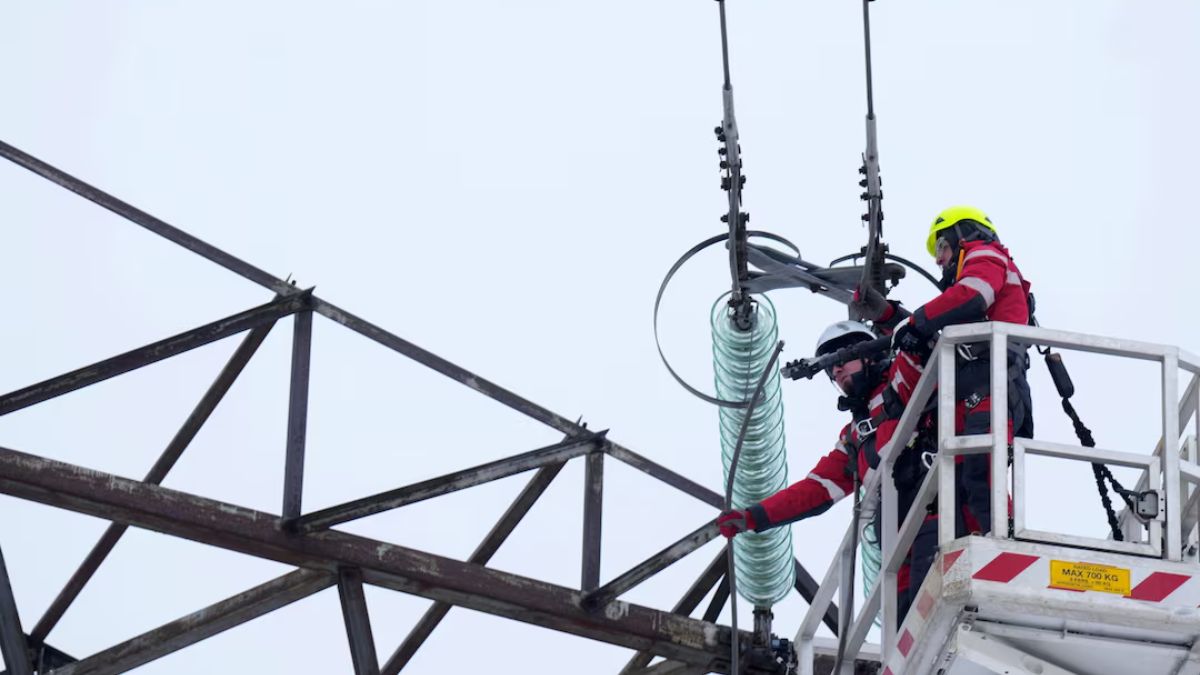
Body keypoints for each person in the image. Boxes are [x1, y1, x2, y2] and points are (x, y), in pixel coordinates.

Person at [717, 319, 932, 619]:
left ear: (870, 354)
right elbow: (815, 490)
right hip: (901, 539)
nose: (836, 370)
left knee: (930, 609)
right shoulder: (856, 436)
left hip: (941, 514)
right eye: (831, 367)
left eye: (843, 358)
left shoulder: (902, 383)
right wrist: (753, 516)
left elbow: (926, 339)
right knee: (904, 629)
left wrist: (890, 318)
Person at [890, 205, 1034, 537]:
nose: (939, 259)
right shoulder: (986, 269)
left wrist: (917, 322)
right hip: (980, 387)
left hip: (993, 385)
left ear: (963, 235)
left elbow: (973, 295)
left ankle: (1005, 542)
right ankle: (987, 545)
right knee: (969, 479)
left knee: (980, 472)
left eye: (941, 246)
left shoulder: (986, 255)